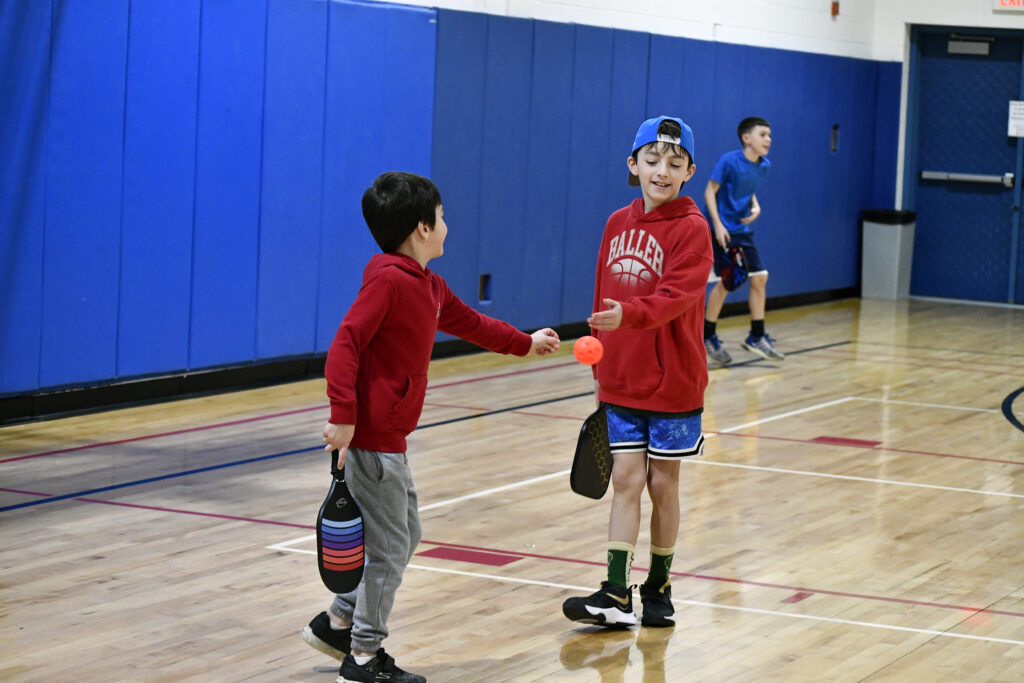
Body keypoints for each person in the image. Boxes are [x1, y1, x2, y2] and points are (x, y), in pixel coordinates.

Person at [303, 171, 561, 683]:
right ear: (422, 228)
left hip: (391, 441)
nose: (447, 225)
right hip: (373, 440)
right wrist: (343, 417)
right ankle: (362, 657)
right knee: (391, 549)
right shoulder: (388, 281)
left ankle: (338, 620)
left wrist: (525, 343)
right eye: (442, 217)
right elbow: (345, 346)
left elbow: (472, 323)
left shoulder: (429, 285)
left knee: (406, 534)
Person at [561, 116, 713, 629]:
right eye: (651, 161)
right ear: (633, 165)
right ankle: (616, 592)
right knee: (625, 478)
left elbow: (677, 297)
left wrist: (630, 315)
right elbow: (602, 293)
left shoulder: (693, 228)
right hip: (621, 379)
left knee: (662, 485)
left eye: (674, 164)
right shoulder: (614, 224)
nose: (661, 172)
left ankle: (659, 584)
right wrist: (600, 356)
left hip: (674, 383)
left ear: (690, 170)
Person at [702, 116, 784, 364]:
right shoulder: (728, 161)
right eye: (763, 134)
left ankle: (756, 337)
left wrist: (756, 206)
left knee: (760, 277)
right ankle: (708, 336)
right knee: (729, 280)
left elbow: (749, 188)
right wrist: (717, 225)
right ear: (747, 138)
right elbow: (709, 191)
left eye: (769, 135)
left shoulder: (763, 165)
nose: (768, 139)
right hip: (721, 228)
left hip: (741, 229)